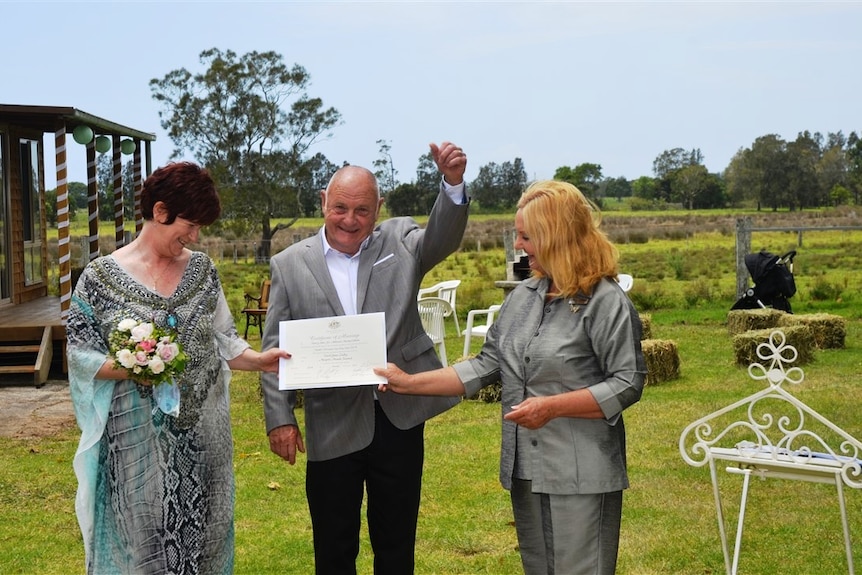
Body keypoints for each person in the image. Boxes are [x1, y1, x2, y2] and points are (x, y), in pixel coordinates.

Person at [374, 180, 646, 575]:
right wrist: (408, 382)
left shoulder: (606, 301)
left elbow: (626, 383)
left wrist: (551, 408)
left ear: (556, 235)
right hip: (526, 470)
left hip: (581, 475)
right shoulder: (522, 297)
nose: (519, 245)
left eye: (526, 236)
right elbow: (486, 365)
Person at [66, 161, 290, 574]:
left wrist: (259, 360)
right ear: (159, 211)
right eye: (190, 224)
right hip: (134, 445)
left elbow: (225, 339)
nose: (195, 235)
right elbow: (80, 353)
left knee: (205, 538)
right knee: (141, 547)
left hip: (204, 440)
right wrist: (133, 365)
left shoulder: (203, 272)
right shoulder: (99, 278)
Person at [261, 141, 469, 574]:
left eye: (362, 210)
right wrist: (279, 417)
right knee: (334, 548)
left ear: (378, 209)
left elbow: (442, 238)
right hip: (331, 421)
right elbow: (273, 348)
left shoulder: (401, 240)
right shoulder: (288, 265)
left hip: (399, 418)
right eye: (340, 208)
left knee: (396, 545)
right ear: (323, 203)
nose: (350, 221)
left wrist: (451, 184)